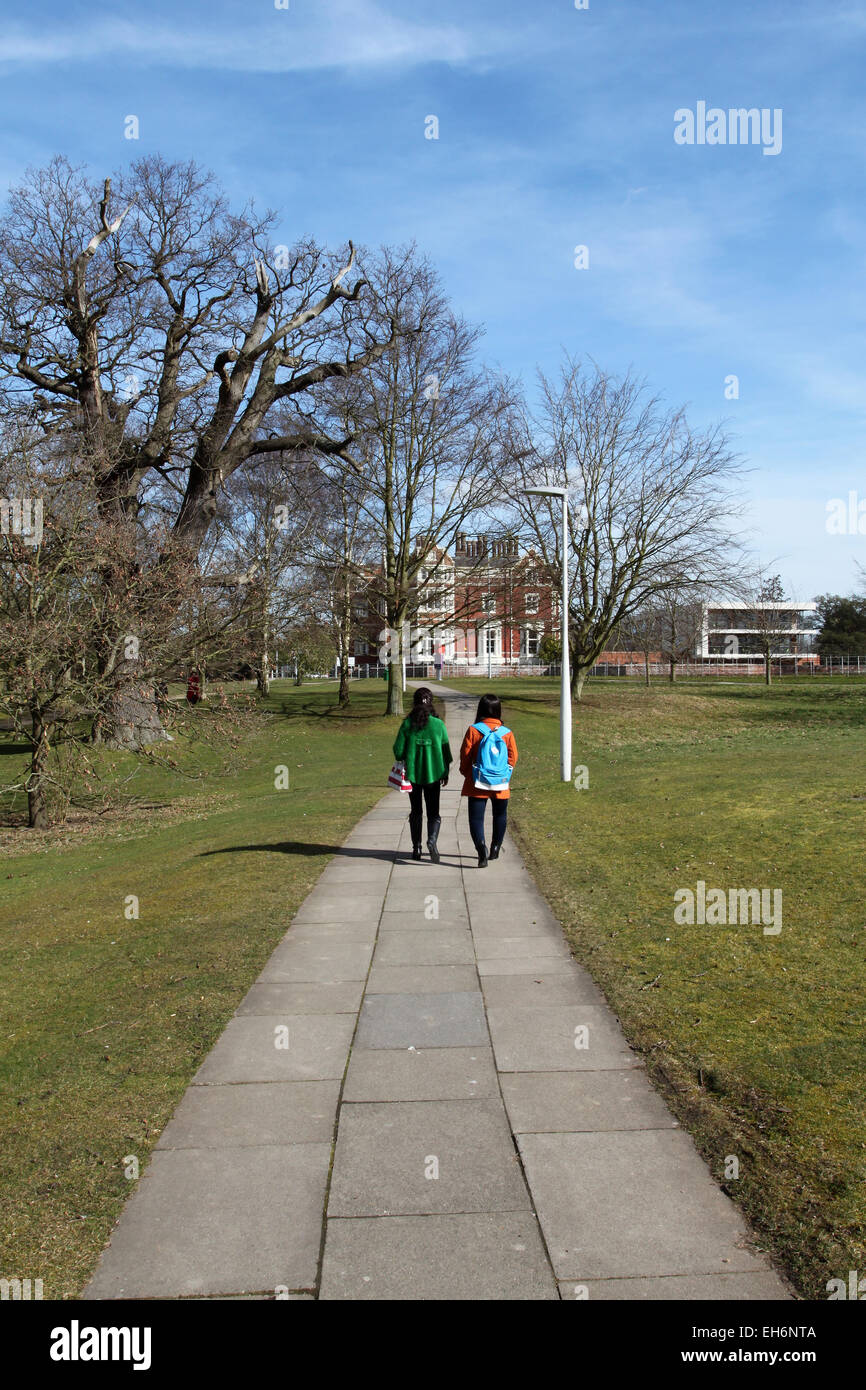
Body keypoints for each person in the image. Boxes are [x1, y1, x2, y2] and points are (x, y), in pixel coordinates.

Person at [392, 687, 452, 862]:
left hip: (413, 776)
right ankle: (432, 840)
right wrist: (445, 772)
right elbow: (446, 752)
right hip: (434, 774)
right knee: (434, 812)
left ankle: (416, 847)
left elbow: (398, 751)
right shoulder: (438, 725)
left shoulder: (408, 724)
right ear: (431, 702)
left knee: (416, 811)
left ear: (414, 702)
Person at [459, 693, 518, 868]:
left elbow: (465, 756)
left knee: (476, 819)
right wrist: (504, 775)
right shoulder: (507, 733)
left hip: (477, 781)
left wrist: (467, 774)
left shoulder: (474, 730)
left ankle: (481, 850)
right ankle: (495, 847)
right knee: (500, 815)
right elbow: (513, 758)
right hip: (500, 782)